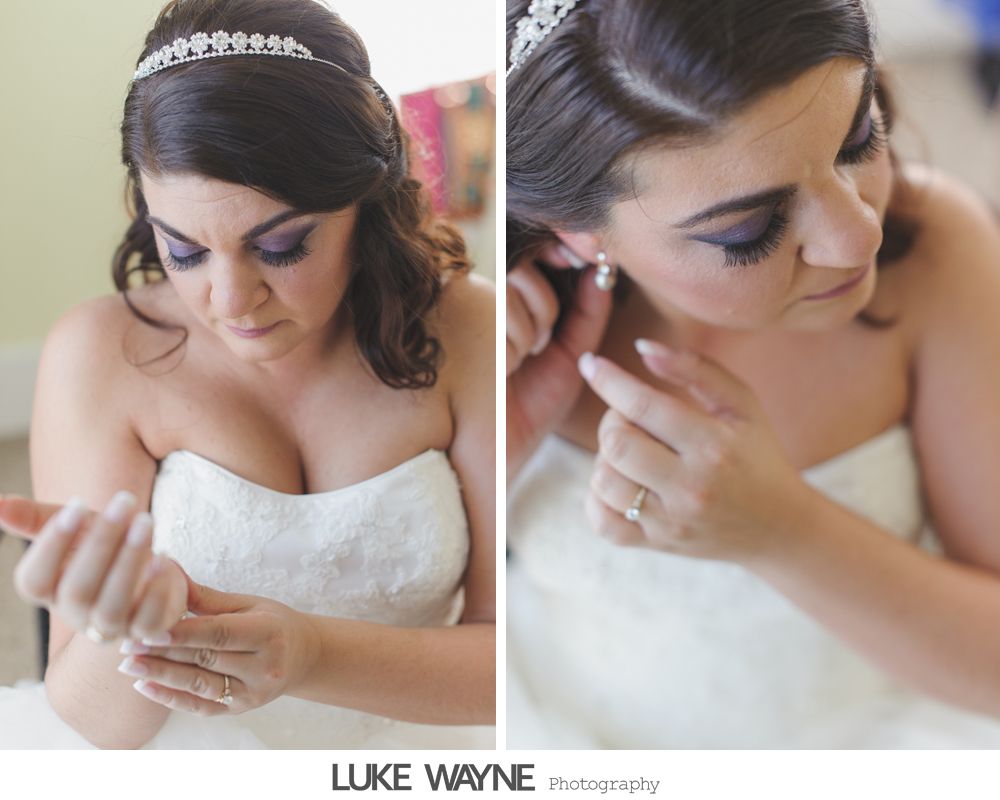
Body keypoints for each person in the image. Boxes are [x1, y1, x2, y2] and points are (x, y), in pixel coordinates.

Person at [0, 0, 495, 749]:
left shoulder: (466, 326)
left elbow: (509, 659)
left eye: (281, 245)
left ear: (365, 202)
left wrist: (314, 656)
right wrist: (129, 625)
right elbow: (97, 724)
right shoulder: (100, 354)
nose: (230, 301)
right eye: (185, 251)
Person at [506, 0, 1000, 748]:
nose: (857, 235)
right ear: (576, 232)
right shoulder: (505, 331)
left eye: (857, 138)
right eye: (748, 230)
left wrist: (783, 533)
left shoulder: (933, 251)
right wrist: (501, 444)